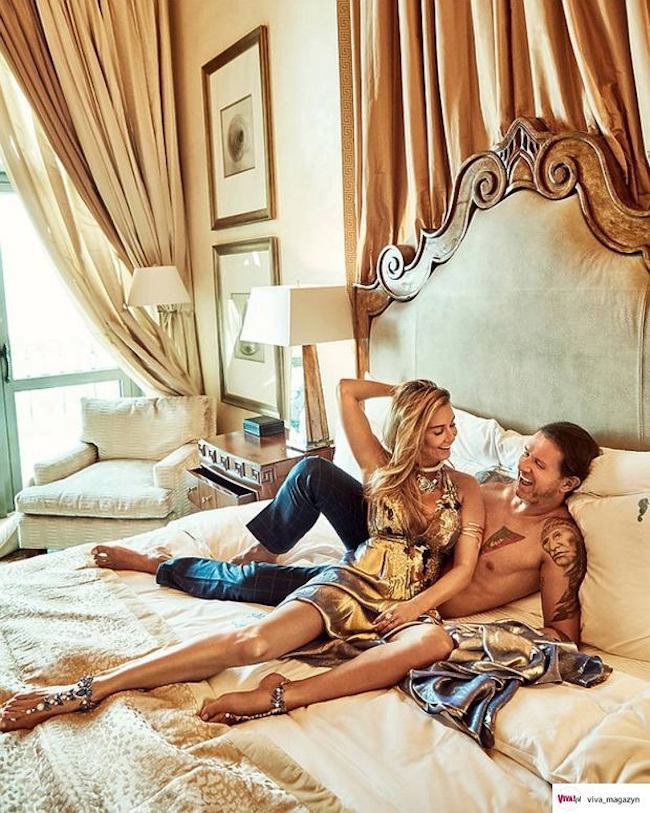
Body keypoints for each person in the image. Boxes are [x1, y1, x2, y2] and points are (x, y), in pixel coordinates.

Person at [1, 379, 485, 731]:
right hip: (353, 581)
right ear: (411, 430)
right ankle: (91, 687)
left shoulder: (466, 487)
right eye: (437, 429)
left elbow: (463, 569)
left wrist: (415, 607)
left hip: (409, 606)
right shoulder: (380, 469)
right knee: (251, 640)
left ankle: (278, 695)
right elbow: (348, 390)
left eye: (452, 426)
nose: (450, 437)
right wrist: (409, 395)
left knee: (430, 641)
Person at [91, 391, 600, 647]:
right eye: (526, 453)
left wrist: (469, 641)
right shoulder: (486, 485)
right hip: (387, 552)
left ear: (568, 483)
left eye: (539, 465)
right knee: (313, 471)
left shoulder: (556, 541)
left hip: (403, 597)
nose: (524, 467)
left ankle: (159, 564)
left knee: (258, 584)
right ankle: (260, 543)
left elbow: (563, 632)